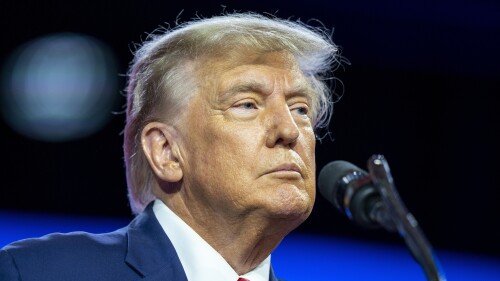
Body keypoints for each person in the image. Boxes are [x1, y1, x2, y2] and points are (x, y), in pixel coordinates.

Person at [0, 13, 339, 281]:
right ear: (166, 152)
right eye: (247, 104)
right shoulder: (36, 272)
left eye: (300, 109)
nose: (289, 130)